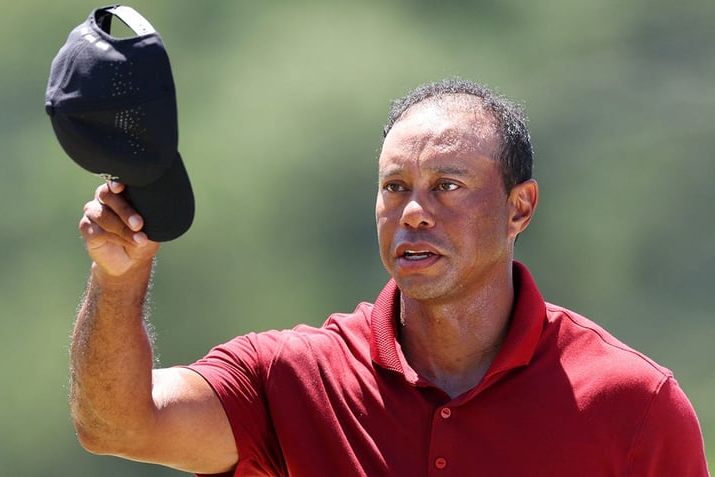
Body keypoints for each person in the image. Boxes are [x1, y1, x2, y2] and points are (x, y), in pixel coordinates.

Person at [70, 78, 709, 476]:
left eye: (447, 187)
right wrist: (119, 278)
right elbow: (117, 425)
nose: (412, 211)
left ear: (520, 208)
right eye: (395, 187)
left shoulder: (634, 405)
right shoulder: (292, 380)